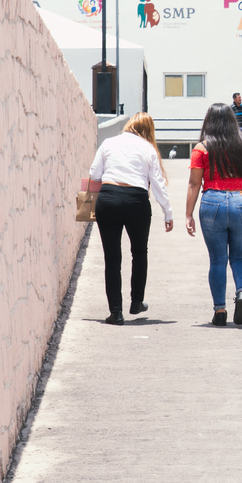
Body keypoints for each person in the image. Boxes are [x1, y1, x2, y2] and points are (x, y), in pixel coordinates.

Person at [185, 103, 242, 326]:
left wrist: (188, 214)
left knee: (217, 260)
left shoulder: (201, 148)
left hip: (212, 203)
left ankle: (220, 311)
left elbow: (194, 183)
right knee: (241, 258)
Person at [89, 112, 173, 325]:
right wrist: (167, 213)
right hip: (137, 201)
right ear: (148, 131)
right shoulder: (148, 148)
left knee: (112, 258)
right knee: (139, 252)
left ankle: (116, 312)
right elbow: (158, 184)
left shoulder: (109, 143)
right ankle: (136, 302)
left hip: (109, 199)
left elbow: (94, 174)